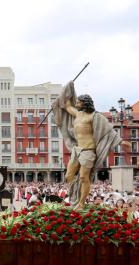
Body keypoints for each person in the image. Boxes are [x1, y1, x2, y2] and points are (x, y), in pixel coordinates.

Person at [53, 81, 128, 210]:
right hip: (77, 150)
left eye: (79, 102)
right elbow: (66, 105)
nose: (76, 103)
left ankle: (81, 203)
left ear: (85, 103)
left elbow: (107, 130)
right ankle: (75, 196)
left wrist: (121, 141)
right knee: (68, 176)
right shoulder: (78, 113)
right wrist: (69, 86)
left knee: (83, 177)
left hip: (89, 151)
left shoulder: (95, 116)